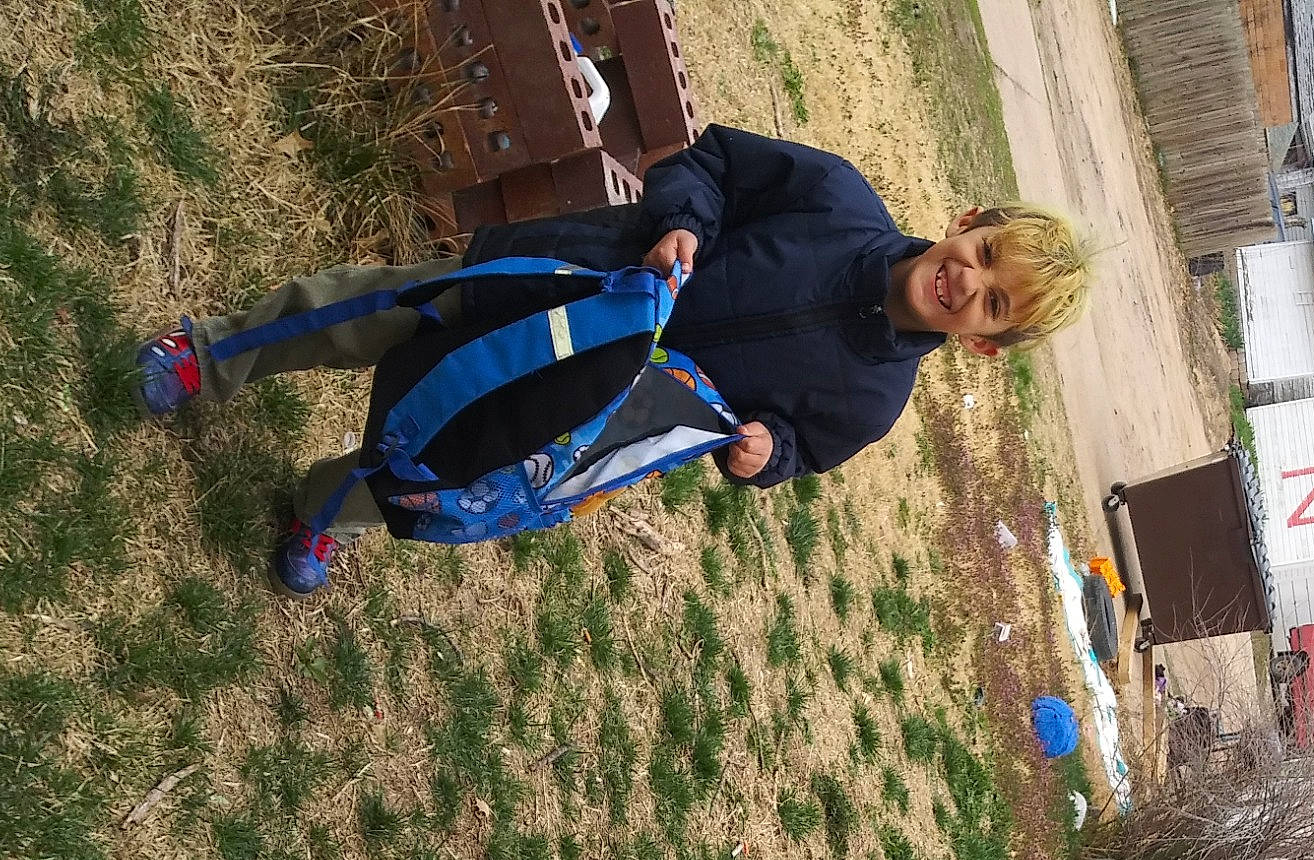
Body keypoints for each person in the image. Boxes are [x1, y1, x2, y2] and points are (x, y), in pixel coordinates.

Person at [134, 124, 1094, 593]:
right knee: (382, 314)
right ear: (966, 225)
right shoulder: (835, 197)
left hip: (583, 409)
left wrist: (768, 454)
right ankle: (211, 356)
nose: (968, 282)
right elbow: (709, 162)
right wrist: (680, 222)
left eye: (995, 301)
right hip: (561, 281)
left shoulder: (877, 399)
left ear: (986, 342)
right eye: (981, 256)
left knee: (450, 457)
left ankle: (320, 512)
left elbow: (803, 446)